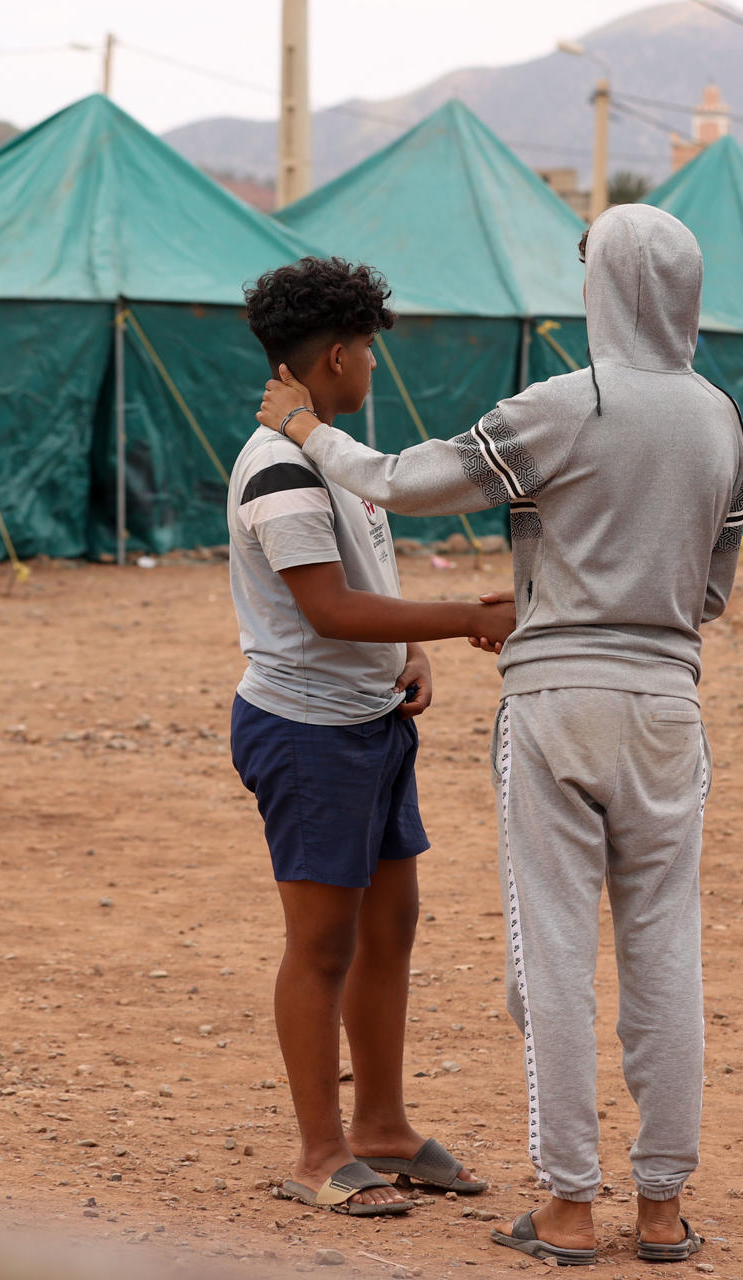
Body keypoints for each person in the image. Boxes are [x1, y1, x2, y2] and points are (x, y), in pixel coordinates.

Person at [256, 204, 743, 1264]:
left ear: (607, 288)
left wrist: (308, 431)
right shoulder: (720, 418)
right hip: (670, 707)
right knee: (666, 948)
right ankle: (661, 1207)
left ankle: (570, 1205)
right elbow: (710, 591)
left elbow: (408, 482)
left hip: (559, 703)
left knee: (558, 954)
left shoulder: (567, 405)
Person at [230, 257, 513, 1217]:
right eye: (371, 357)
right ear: (341, 356)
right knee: (321, 945)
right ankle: (319, 1154)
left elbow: (367, 594)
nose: (376, 373)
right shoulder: (277, 468)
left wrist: (410, 653)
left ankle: (383, 1126)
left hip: (369, 720)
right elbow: (328, 611)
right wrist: (471, 618)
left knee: (390, 925)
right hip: (307, 732)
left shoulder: (335, 455)